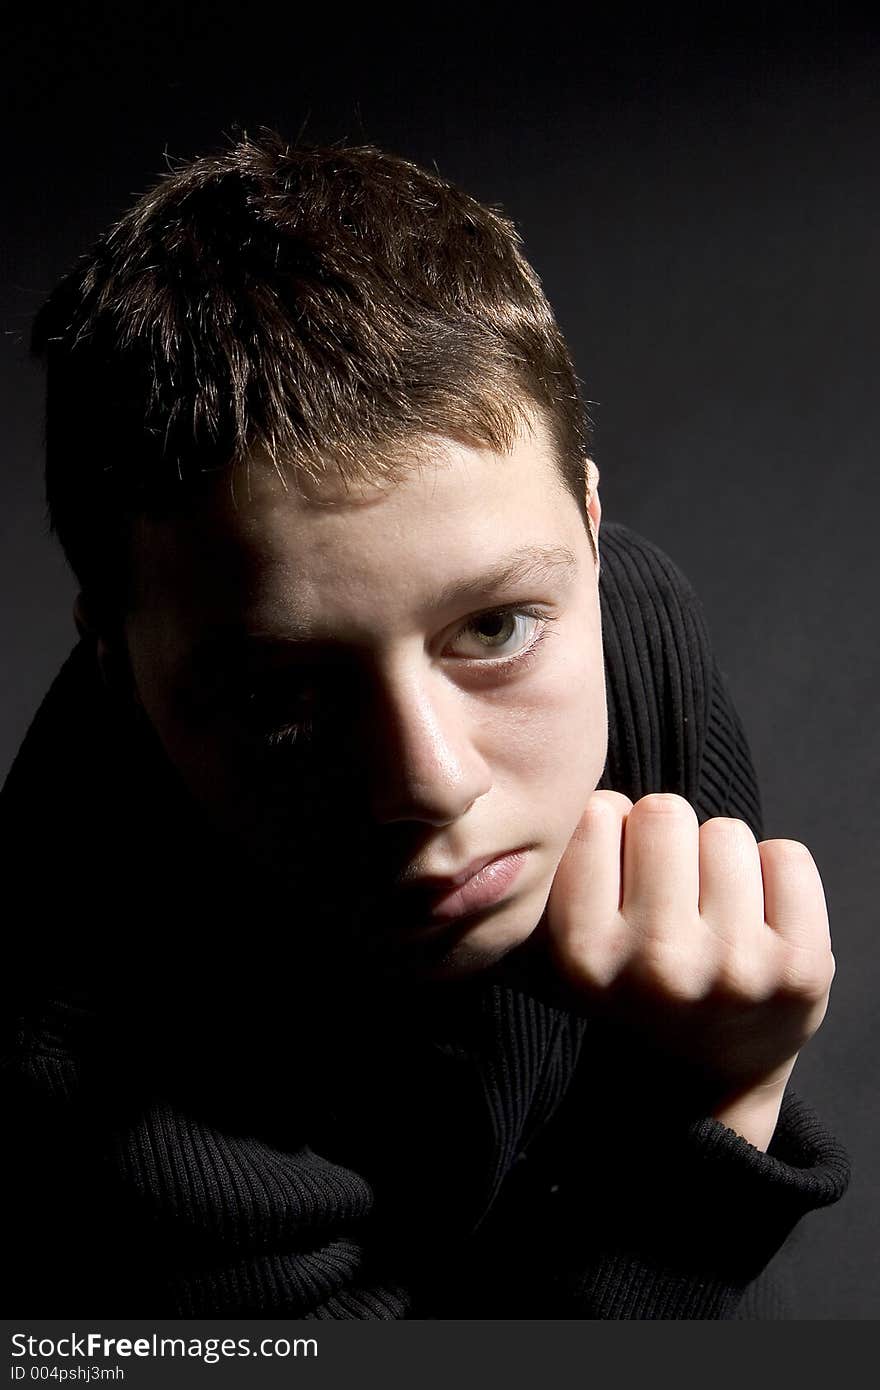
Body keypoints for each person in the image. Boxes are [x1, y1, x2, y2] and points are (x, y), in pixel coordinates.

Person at [1, 130, 850, 1319]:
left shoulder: (631, 620)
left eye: (495, 628)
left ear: (590, 536)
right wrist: (722, 1108)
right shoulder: (80, 1095)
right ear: (115, 661)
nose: (429, 781)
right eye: (277, 689)